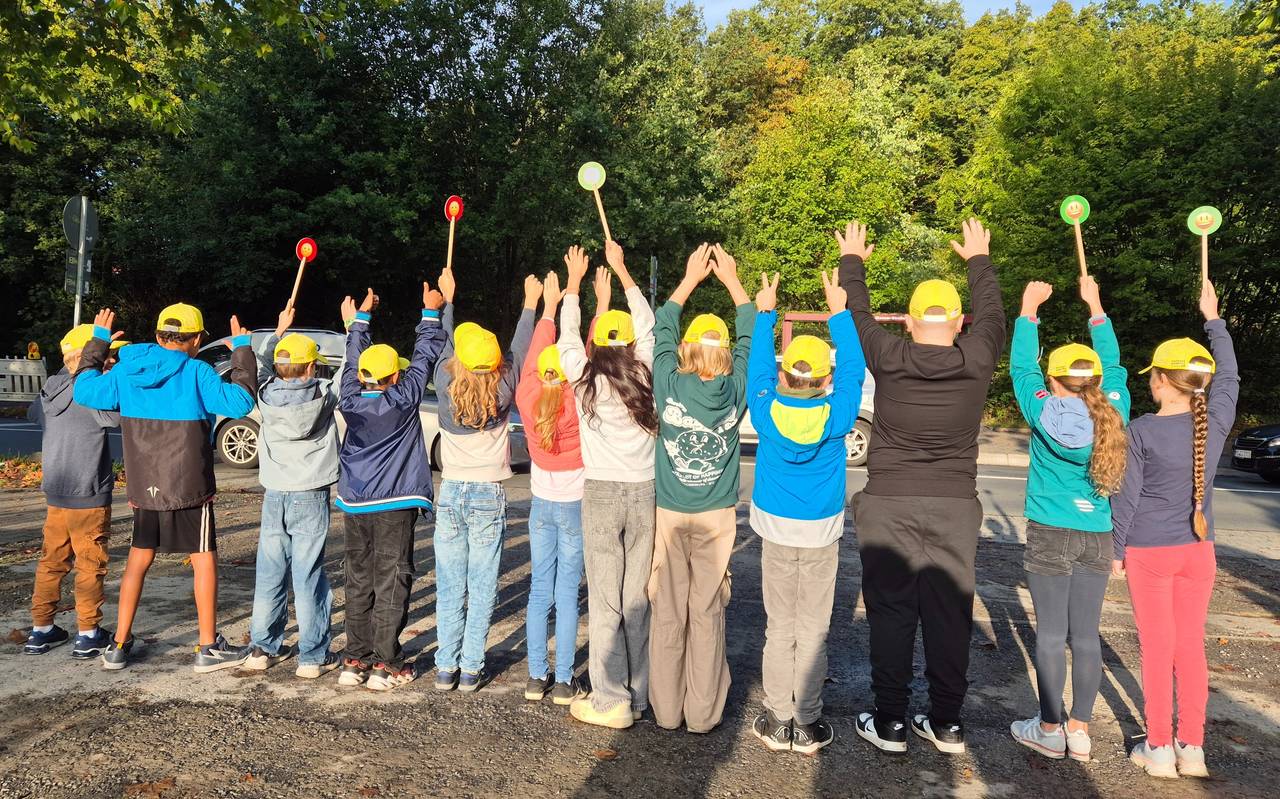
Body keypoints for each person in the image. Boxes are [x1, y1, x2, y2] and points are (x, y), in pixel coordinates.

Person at [838, 218, 1006, 755]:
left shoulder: (889, 355)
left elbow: (856, 312)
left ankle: (890, 721)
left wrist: (852, 261)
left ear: (908, 322)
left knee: (891, 611)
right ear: (959, 322)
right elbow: (994, 314)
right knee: (949, 613)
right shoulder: (977, 357)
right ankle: (947, 723)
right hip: (954, 504)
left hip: (889, 500)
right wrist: (978, 261)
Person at [74, 303, 256, 672]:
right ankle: (208, 646)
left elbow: (85, 391)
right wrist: (242, 351)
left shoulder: (126, 371)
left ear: (158, 336)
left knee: (138, 559)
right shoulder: (197, 371)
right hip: (189, 485)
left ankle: (118, 644)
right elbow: (240, 402)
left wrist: (98, 343)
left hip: (145, 485)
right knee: (203, 559)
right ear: (196, 340)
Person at [1114, 279, 1236, 780]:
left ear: (1162, 380)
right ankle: (1193, 747)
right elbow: (1229, 377)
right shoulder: (1217, 419)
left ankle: (1159, 747)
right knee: (1190, 648)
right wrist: (1214, 321)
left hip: (1149, 551)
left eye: (1154, 377)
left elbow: (1127, 497)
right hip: (1198, 550)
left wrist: (1116, 549)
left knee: (1158, 649)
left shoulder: (1141, 429)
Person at [1008, 277, 1130, 762]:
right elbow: (1115, 365)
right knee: (1086, 636)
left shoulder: (1042, 411)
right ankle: (1079, 730)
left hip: (1049, 533)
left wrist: (1028, 310)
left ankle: (1049, 728)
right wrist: (1095, 305)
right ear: (1096, 381)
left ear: (1053, 381)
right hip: (1097, 534)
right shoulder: (1114, 408)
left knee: (1051, 634)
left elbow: (1021, 366)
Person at [747, 268, 864, 755]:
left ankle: (778, 720)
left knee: (780, 627)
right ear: (826, 379)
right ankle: (808, 722)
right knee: (814, 629)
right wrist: (840, 313)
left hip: (776, 531)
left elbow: (756, 369)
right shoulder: (838, 414)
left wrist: (765, 314)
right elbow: (855, 369)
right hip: (821, 533)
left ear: (783, 376)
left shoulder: (765, 410)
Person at [649, 243, 754, 734]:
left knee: (669, 611)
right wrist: (733, 282)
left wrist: (690, 279)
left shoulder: (668, 384)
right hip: (716, 515)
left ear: (687, 350)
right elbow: (751, 339)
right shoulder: (736, 389)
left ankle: (667, 710)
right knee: (707, 611)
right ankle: (702, 714)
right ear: (726, 354)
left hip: (671, 512)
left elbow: (663, 329)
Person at [558, 241, 658, 730]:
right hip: (644, 493)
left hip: (600, 493)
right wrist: (623, 271)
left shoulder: (583, 377)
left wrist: (574, 285)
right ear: (632, 344)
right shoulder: (647, 371)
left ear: (596, 344)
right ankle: (638, 697)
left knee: (605, 601)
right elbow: (650, 324)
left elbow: (567, 335)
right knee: (637, 599)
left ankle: (609, 700)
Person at [430, 266, 538, 694]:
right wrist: (530, 304)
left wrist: (448, 300)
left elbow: (443, 342)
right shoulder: (505, 387)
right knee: (482, 585)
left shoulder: (444, 382)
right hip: (488, 497)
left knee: (449, 586)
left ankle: (445, 667)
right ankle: (471, 667)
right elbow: (520, 348)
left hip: (451, 494)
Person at [335, 284, 447, 691]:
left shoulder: (349, 396)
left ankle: (354, 659)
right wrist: (431, 313)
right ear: (395, 376)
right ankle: (385, 664)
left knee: (358, 579)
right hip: (395, 504)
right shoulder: (403, 398)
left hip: (355, 502)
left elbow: (353, 359)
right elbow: (424, 356)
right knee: (392, 579)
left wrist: (359, 321)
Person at [241, 303, 342, 679]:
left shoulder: (264, 394)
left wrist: (277, 333)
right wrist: (355, 327)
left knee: (269, 571)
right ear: (312, 367)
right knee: (308, 573)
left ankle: (262, 648)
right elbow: (350, 371)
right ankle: (313, 657)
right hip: (311, 494)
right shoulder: (325, 395)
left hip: (275, 494)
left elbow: (262, 365)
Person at [514, 269, 599, 705]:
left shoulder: (527, 396)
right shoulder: (579, 398)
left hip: (541, 505)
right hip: (574, 505)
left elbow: (533, 357)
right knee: (567, 594)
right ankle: (564, 680)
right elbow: (587, 357)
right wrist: (593, 304)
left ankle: (535, 677)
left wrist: (547, 308)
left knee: (538, 591)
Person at [24, 324, 127, 658]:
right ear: (89, 357)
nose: (111, 360)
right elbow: (115, 418)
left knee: (52, 560)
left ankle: (41, 629)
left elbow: (33, 413)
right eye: (107, 355)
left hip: (56, 490)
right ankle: (88, 632)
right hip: (88, 490)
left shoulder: (51, 388)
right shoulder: (90, 393)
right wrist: (109, 376)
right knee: (89, 563)